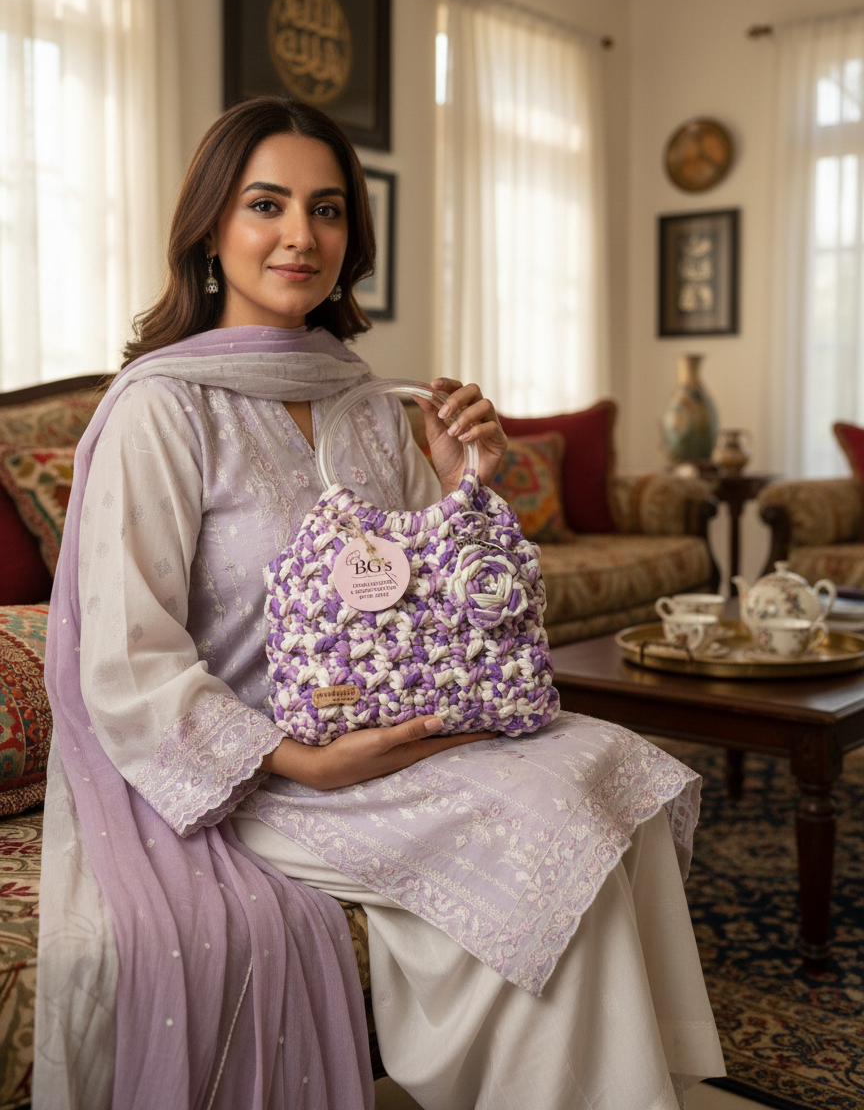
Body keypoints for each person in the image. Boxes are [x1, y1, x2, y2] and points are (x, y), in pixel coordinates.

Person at [34, 96, 725, 1110]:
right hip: (260, 770)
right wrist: (302, 759)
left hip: (402, 730)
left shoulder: (365, 398)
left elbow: (422, 607)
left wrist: (459, 485)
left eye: (327, 209)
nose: (300, 235)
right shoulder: (161, 408)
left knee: (605, 762)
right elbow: (129, 660)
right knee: (541, 813)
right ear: (211, 232)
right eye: (266, 204)